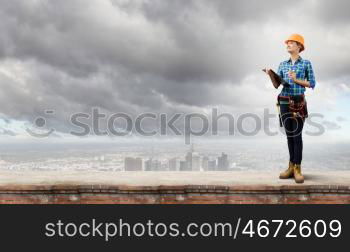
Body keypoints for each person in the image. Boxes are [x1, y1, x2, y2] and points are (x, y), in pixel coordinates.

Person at [264, 34, 316, 183]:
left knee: (297, 135)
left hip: (298, 102)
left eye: (291, 43)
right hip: (284, 102)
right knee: (289, 135)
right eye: (287, 43)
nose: (288, 45)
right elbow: (277, 85)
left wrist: (295, 80)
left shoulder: (306, 63)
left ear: (299, 46)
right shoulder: (282, 64)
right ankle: (291, 166)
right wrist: (271, 75)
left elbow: (312, 84)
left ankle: (298, 168)